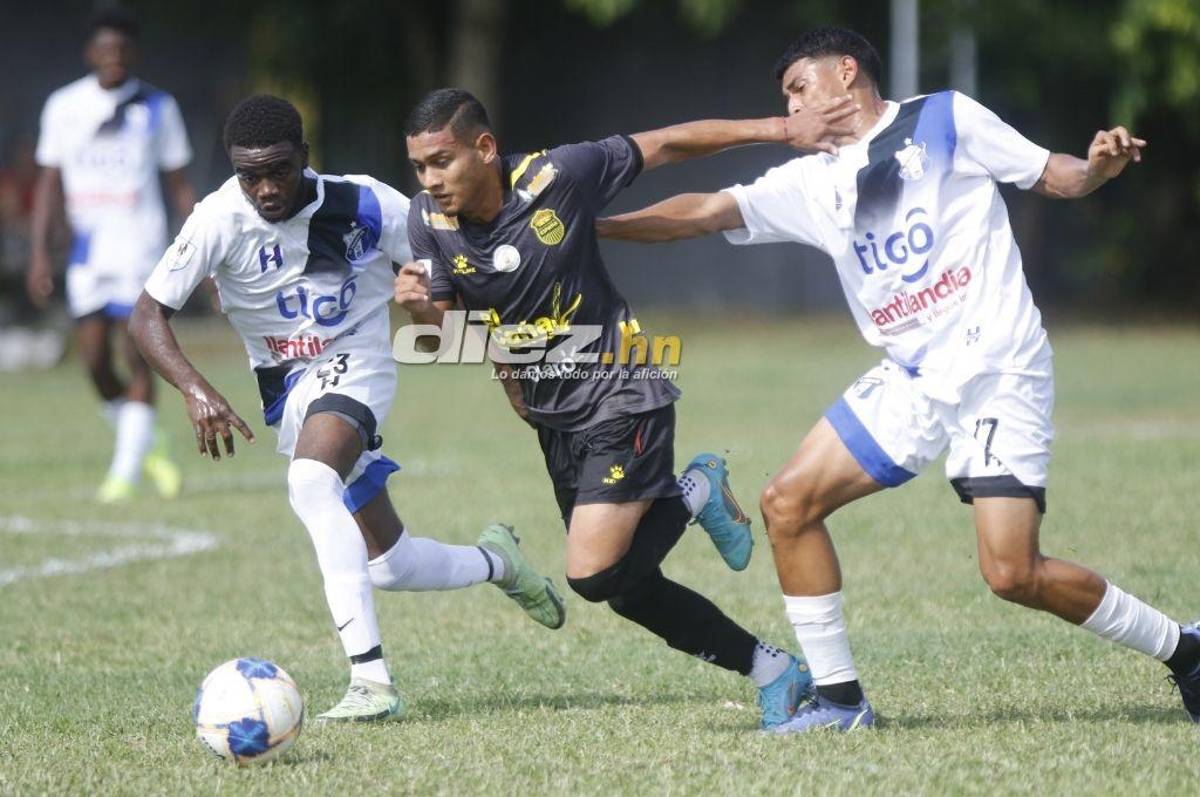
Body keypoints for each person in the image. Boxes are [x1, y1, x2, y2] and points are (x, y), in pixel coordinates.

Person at [596, 26, 1200, 733]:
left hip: (996, 366)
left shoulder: (944, 118)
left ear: (845, 72)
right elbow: (700, 213)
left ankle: (1184, 647)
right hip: (912, 378)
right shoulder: (810, 181)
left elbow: (1055, 174)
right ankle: (841, 703)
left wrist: (1098, 165)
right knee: (787, 503)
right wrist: (596, 229)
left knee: (1011, 573)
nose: (789, 109)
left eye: (798, 89)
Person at [394, 88, 857, 729]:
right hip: (554, 416)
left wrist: (781, 127)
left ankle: (694, 490)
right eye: (419, 167)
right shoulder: (427, 221)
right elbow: (445, 330)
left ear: (485, 148)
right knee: (627, 591)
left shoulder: (561, 173)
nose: (430, 180)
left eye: (441, 161)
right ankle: (772, 669)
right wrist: (420, 307)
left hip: (622, 391)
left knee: (590, 574)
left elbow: (669, 141)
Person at [129, 95, 565, 723]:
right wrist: (197, 390)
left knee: (310, 483)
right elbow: (147, 316)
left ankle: (372, 682)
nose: (265, 188)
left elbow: (451, 261)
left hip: (357, 357)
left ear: (306, 157)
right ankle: (500, 561)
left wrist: (500, 352)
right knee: (391, 565)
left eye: (278, 170)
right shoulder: (216, 219)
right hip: (286, 387)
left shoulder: (364, 202)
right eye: (249, 175)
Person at [28, 7, 192, 502]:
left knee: (136, 355)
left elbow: (180, 186)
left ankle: (122, 474)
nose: (114, 57)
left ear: (133, 54)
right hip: (87, 252)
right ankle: (145, 440)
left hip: (141, 244)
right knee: (95, 361)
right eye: (105, 49)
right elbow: (48, 183)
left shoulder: (159, 107)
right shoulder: (63, 106)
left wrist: (196, 248)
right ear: (90, 53)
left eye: (123, 49)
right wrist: (40, 252)